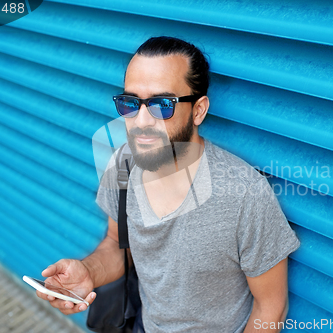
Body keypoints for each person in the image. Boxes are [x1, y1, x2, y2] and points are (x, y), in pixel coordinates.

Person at [37, 36, 300, 333]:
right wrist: (89, 272)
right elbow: (117, 244)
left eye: (163, 104)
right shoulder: (123, 162)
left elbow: (271, 307)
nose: (142, 121)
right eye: (131, 103)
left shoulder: (244, 194)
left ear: (198, 110)